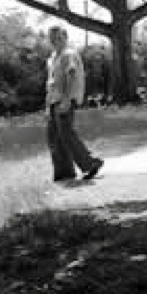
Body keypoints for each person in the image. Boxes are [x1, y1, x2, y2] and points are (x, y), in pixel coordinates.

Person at [45, 25, 104, 183]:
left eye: (58, 37)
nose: (55, 41)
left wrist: (66, 99)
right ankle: (64, 172)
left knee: (66, 134)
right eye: (52, 38)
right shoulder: (53, 57)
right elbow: (51, 82)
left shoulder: (68, 54)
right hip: (53, 101)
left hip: (64, 100)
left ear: (65, 37)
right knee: (54, 138)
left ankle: (90, 163)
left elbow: (71, 75)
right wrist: (47, 105)